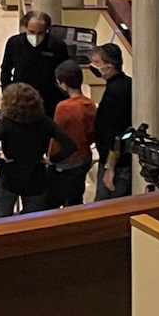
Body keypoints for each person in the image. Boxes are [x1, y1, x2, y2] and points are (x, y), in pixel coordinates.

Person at [0, 82, 74, 216]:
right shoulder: (45, 122)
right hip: (36, 176)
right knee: (31, 221)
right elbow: (70, 145)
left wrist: (0, 162)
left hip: (9, 175)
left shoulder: (7, 124)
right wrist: (53, 160)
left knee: (2, 218)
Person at [0, 10, 72, 113]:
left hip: (48, 98)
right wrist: (7, 93)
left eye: (40, 33)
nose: (35, 36)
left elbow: (66, 72)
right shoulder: (14, 43)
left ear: (47, 30)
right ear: (25, 28)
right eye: (32, 32)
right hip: (21, 97)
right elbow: (5, 70)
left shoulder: (57, 45)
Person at [48, 59, 97, 207]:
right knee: (76, 198)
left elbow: (57, 137)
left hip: (65, 162)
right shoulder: (90, 104)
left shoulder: (63, 107)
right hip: (83, 157)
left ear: (63, 83)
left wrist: (51, 158)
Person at [90, 42, 134, 199]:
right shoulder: (124, 84)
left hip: (117, 163)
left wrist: (110, 167)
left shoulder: (116, 92)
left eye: (96, 63)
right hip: (116, 158)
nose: (92, 67)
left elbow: (115, 131)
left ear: (110, 66)